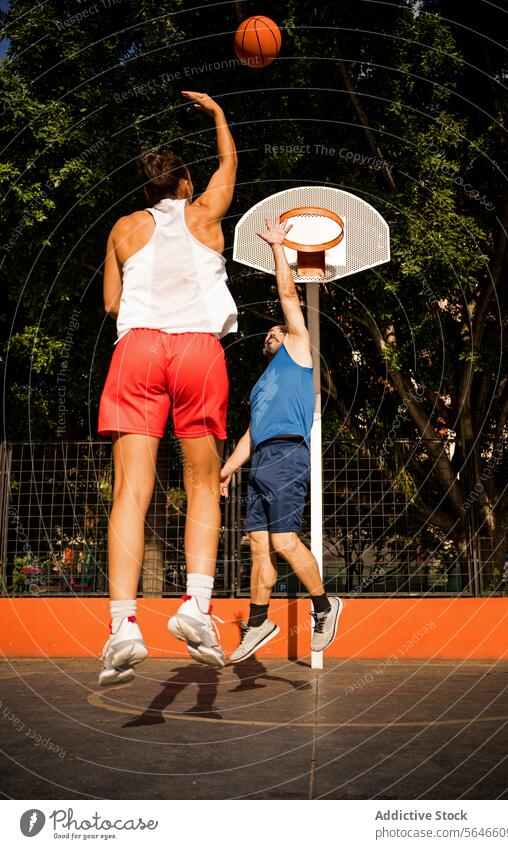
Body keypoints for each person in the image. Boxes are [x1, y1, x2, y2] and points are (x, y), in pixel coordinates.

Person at [98, 91, 238, 685]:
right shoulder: (205, 212)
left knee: (131, 490)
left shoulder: (123, 229)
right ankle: (196, 608)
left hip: (137, 350)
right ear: (183, 183)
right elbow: (229, 166)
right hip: (196, 351)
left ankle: (123, 625)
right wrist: (219, 118)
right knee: (203, 481)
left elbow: (111, 304)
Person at [220, 217, 343, 663]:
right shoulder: (259, 387)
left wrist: (277, 246)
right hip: (262, 459)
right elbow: (252, 434)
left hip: (290, 453)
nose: (272, 333)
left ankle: (326, 608)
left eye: (277, 329)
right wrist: (229, 468)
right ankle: (258, 623)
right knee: (257, 543)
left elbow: (289, 295)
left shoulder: (298, 348)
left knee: (286, 541)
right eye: (269, 333)